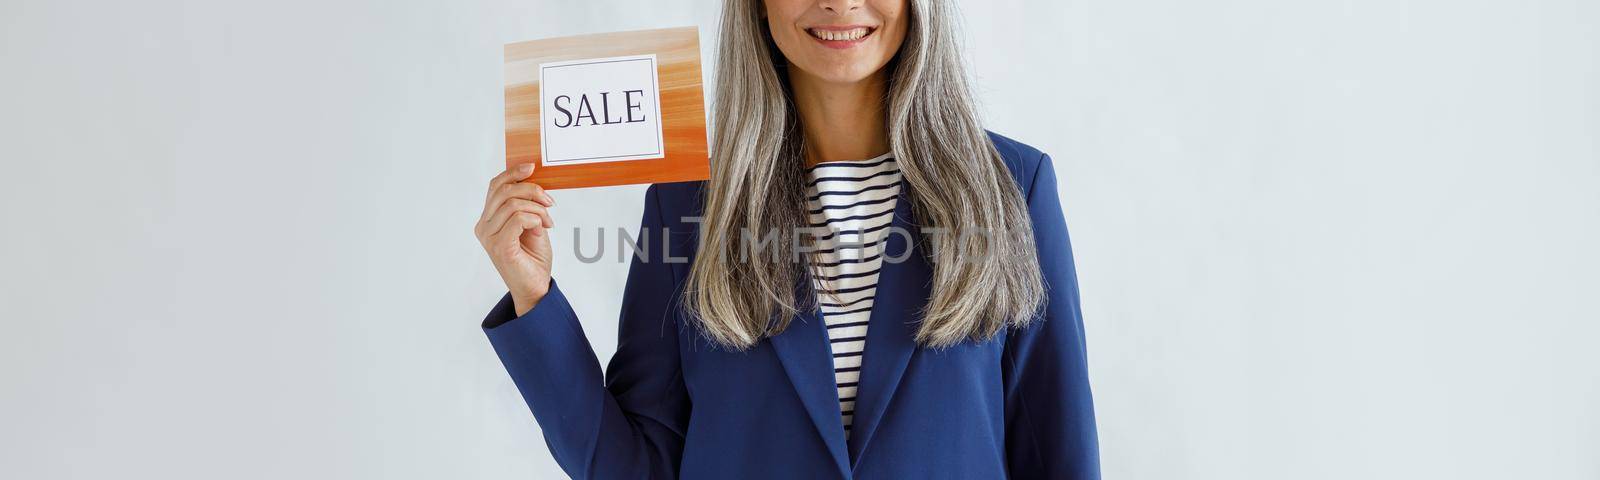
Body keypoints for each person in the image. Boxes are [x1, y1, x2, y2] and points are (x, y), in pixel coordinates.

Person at [473, 0, 1099, 478]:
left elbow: (1057, 449)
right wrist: (534, 296)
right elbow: (639, 466)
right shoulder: (685, 208)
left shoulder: (1011, 188)